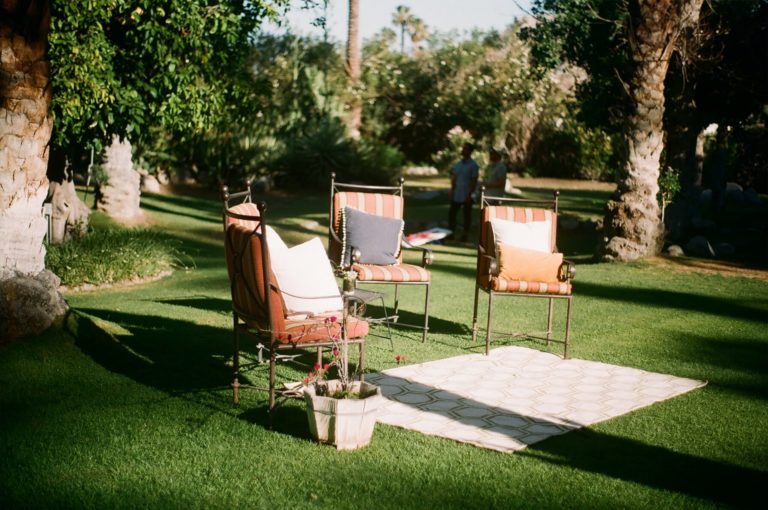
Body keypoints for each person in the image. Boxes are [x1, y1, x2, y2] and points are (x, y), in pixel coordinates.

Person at [448, 142, 479, 242]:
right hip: (457, 193)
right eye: (463, 148)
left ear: (470, 151)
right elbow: (454, 178)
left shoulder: (473, 165)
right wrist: (452, 190)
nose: (463, 150)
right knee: (452, 213)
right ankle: (451, 233)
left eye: (465, 149)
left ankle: (465, 235)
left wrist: (470, 194)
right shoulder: (458, 164)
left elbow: (474, 181)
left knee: (466, 215)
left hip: (467, 194)